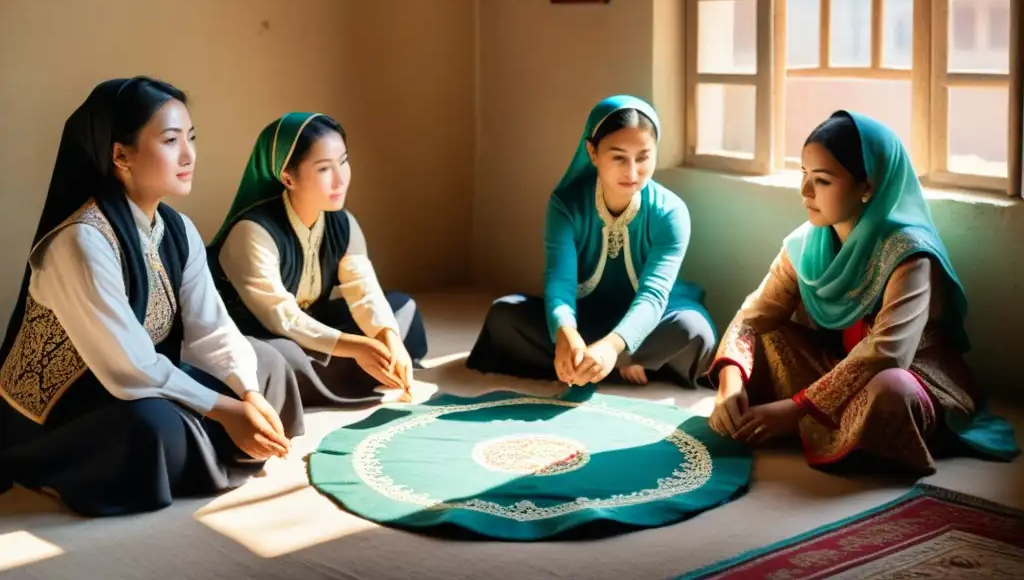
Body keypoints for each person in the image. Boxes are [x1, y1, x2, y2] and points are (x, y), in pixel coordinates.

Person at [0, 78, 303, 517]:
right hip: (65, 410)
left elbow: (211, 328)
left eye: (191, 138)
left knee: (267, 363)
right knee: (149, 429)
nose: (189, 155)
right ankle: (71, 466)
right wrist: (224, 409)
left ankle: (214, 438)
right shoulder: (80, 241)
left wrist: (247, 394)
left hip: (134, 383)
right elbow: (128, 366)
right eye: (170, 140)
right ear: (120, 155)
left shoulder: (177, 229)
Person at [707, 110, 1019, 475]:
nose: (805, 191)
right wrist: (729, 384)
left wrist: (796, 408)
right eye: (803, 174)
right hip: (838, 367)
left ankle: (806, 422)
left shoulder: (909, 254)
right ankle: (816, 422)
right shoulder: (804, 246)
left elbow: (887, 354)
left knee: (891, 392)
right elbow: (754, 315)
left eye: (822, 180)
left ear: (867, 187)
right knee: (763, 337)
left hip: (910, 374)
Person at [467, 95, 716, 387]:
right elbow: (559, 283)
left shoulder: (671, 213)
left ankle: (603, 360)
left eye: (644, 157)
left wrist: (614, 345)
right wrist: (565, 332)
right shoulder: (566, 205)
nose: (633, 172)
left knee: (694, 330)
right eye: (619, 157)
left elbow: (653, 296)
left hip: (650, 321)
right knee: (504, 315)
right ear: (593, 152)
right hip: (584, 318)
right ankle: (612, 362)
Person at [208, 112, 427, 405]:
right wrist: (357, 348)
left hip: (311, 324)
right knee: (281, 359)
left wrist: (389, 338)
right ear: (287, 177)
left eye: (344, 161)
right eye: (324, 169)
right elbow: (281, 319)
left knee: (401, 309)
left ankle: (355, 370)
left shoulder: (343, 223)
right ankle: (349, 373)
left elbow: (364, 292)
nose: (340, 179)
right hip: (260, 335)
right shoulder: (252, 232)